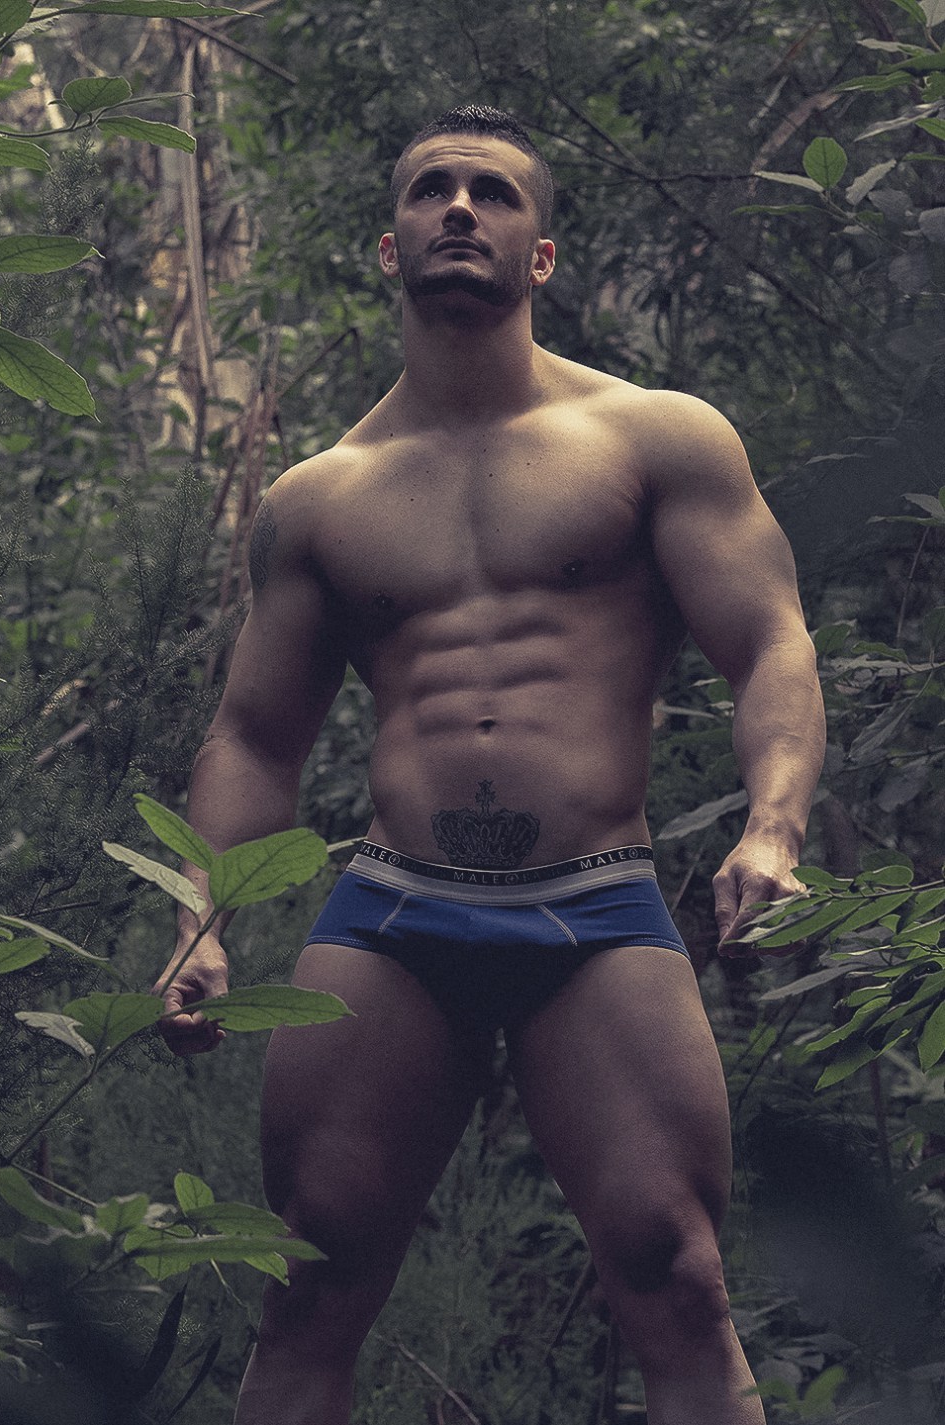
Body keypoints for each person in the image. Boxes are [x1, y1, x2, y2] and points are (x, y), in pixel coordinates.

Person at [153, 104, 826, 1425]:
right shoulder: (320, 497)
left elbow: (769, 643)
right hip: (394, 913)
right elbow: (255, 736)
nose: (460, 207)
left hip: (596, 906)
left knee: (676, 1274)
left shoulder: (655, 438)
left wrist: (773, 826)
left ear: (541, 254)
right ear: (388, 245)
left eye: (494, 193)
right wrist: (200, 916)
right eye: (432, 189)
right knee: (309, 1285)